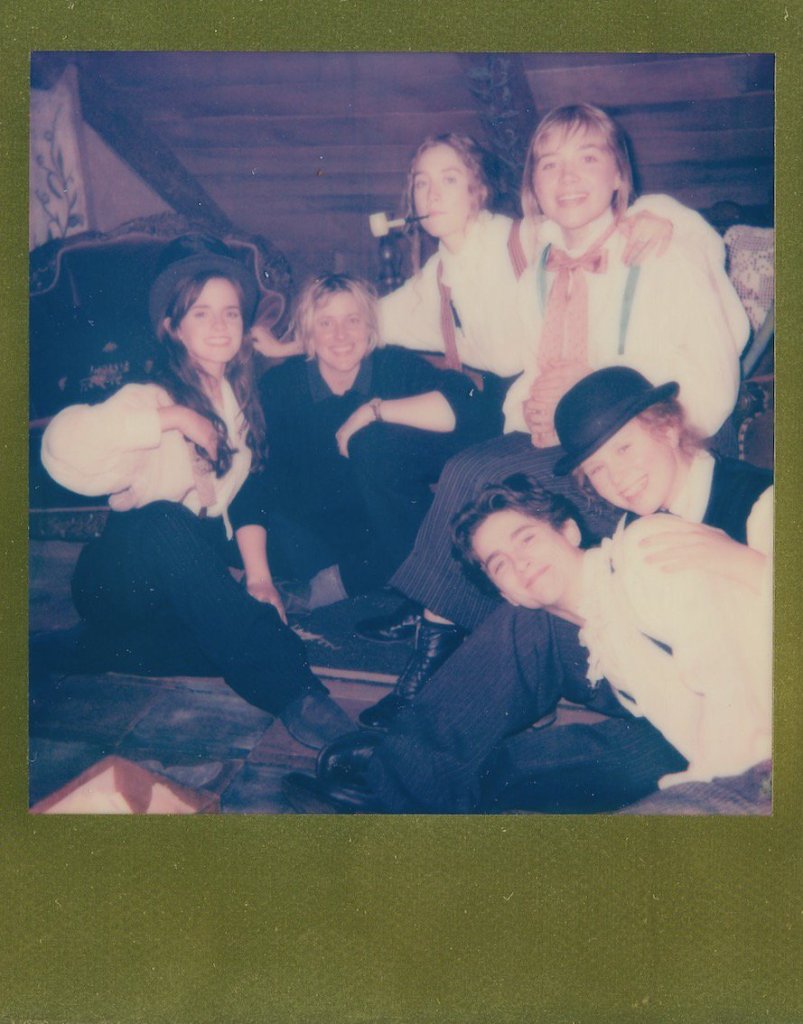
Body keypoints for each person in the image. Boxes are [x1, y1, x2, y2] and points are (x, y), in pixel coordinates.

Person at [356, 104, 751, 731]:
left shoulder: (662, 245)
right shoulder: (540, 263)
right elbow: (529, 367)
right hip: (569, 441)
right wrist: (532, 406)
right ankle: (448, 638)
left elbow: (711, 386)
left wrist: (591, 391)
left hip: (656, 454)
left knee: (475, 477)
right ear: (532, 188)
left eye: (587, 159)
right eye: (548, 165)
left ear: (619, 175)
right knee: (471, 478)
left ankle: (440, 658)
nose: (567, 179)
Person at [282, 366, 772, 814]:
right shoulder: (637, 517)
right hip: (648, 680)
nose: (617, 478)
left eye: (624, 449)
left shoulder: (758, 500)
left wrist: (746, 563)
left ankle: (406, 790)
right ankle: (402, 775)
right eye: (597, 470)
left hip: (737, 716)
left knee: (534, 768)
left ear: (667, 428)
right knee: (534, 613)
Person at [39, 233, 352, 750]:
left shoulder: (240, 401)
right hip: (117, 576)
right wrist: (174, 418)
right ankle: (302, 697)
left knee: (223, 643)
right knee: (167, 520)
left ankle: (83, 650)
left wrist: (259, 579)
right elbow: (59, 448)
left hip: (176, 585)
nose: (220, 325)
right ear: (172, 326)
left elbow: (249, 490)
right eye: (201, 313)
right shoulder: (149, 396)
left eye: (230, 313)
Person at [232, 273, 487, 609]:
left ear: (370, 327)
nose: (340, 335)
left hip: (381, 531)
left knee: (407, 505)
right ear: (307, 334)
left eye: (352, 320)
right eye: (326, 323)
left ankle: (344, 584)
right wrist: (259, 578)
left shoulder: (394, 366)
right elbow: (253, 478)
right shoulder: (281, 385)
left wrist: (374, 411)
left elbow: (468, 402)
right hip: (308, 535)